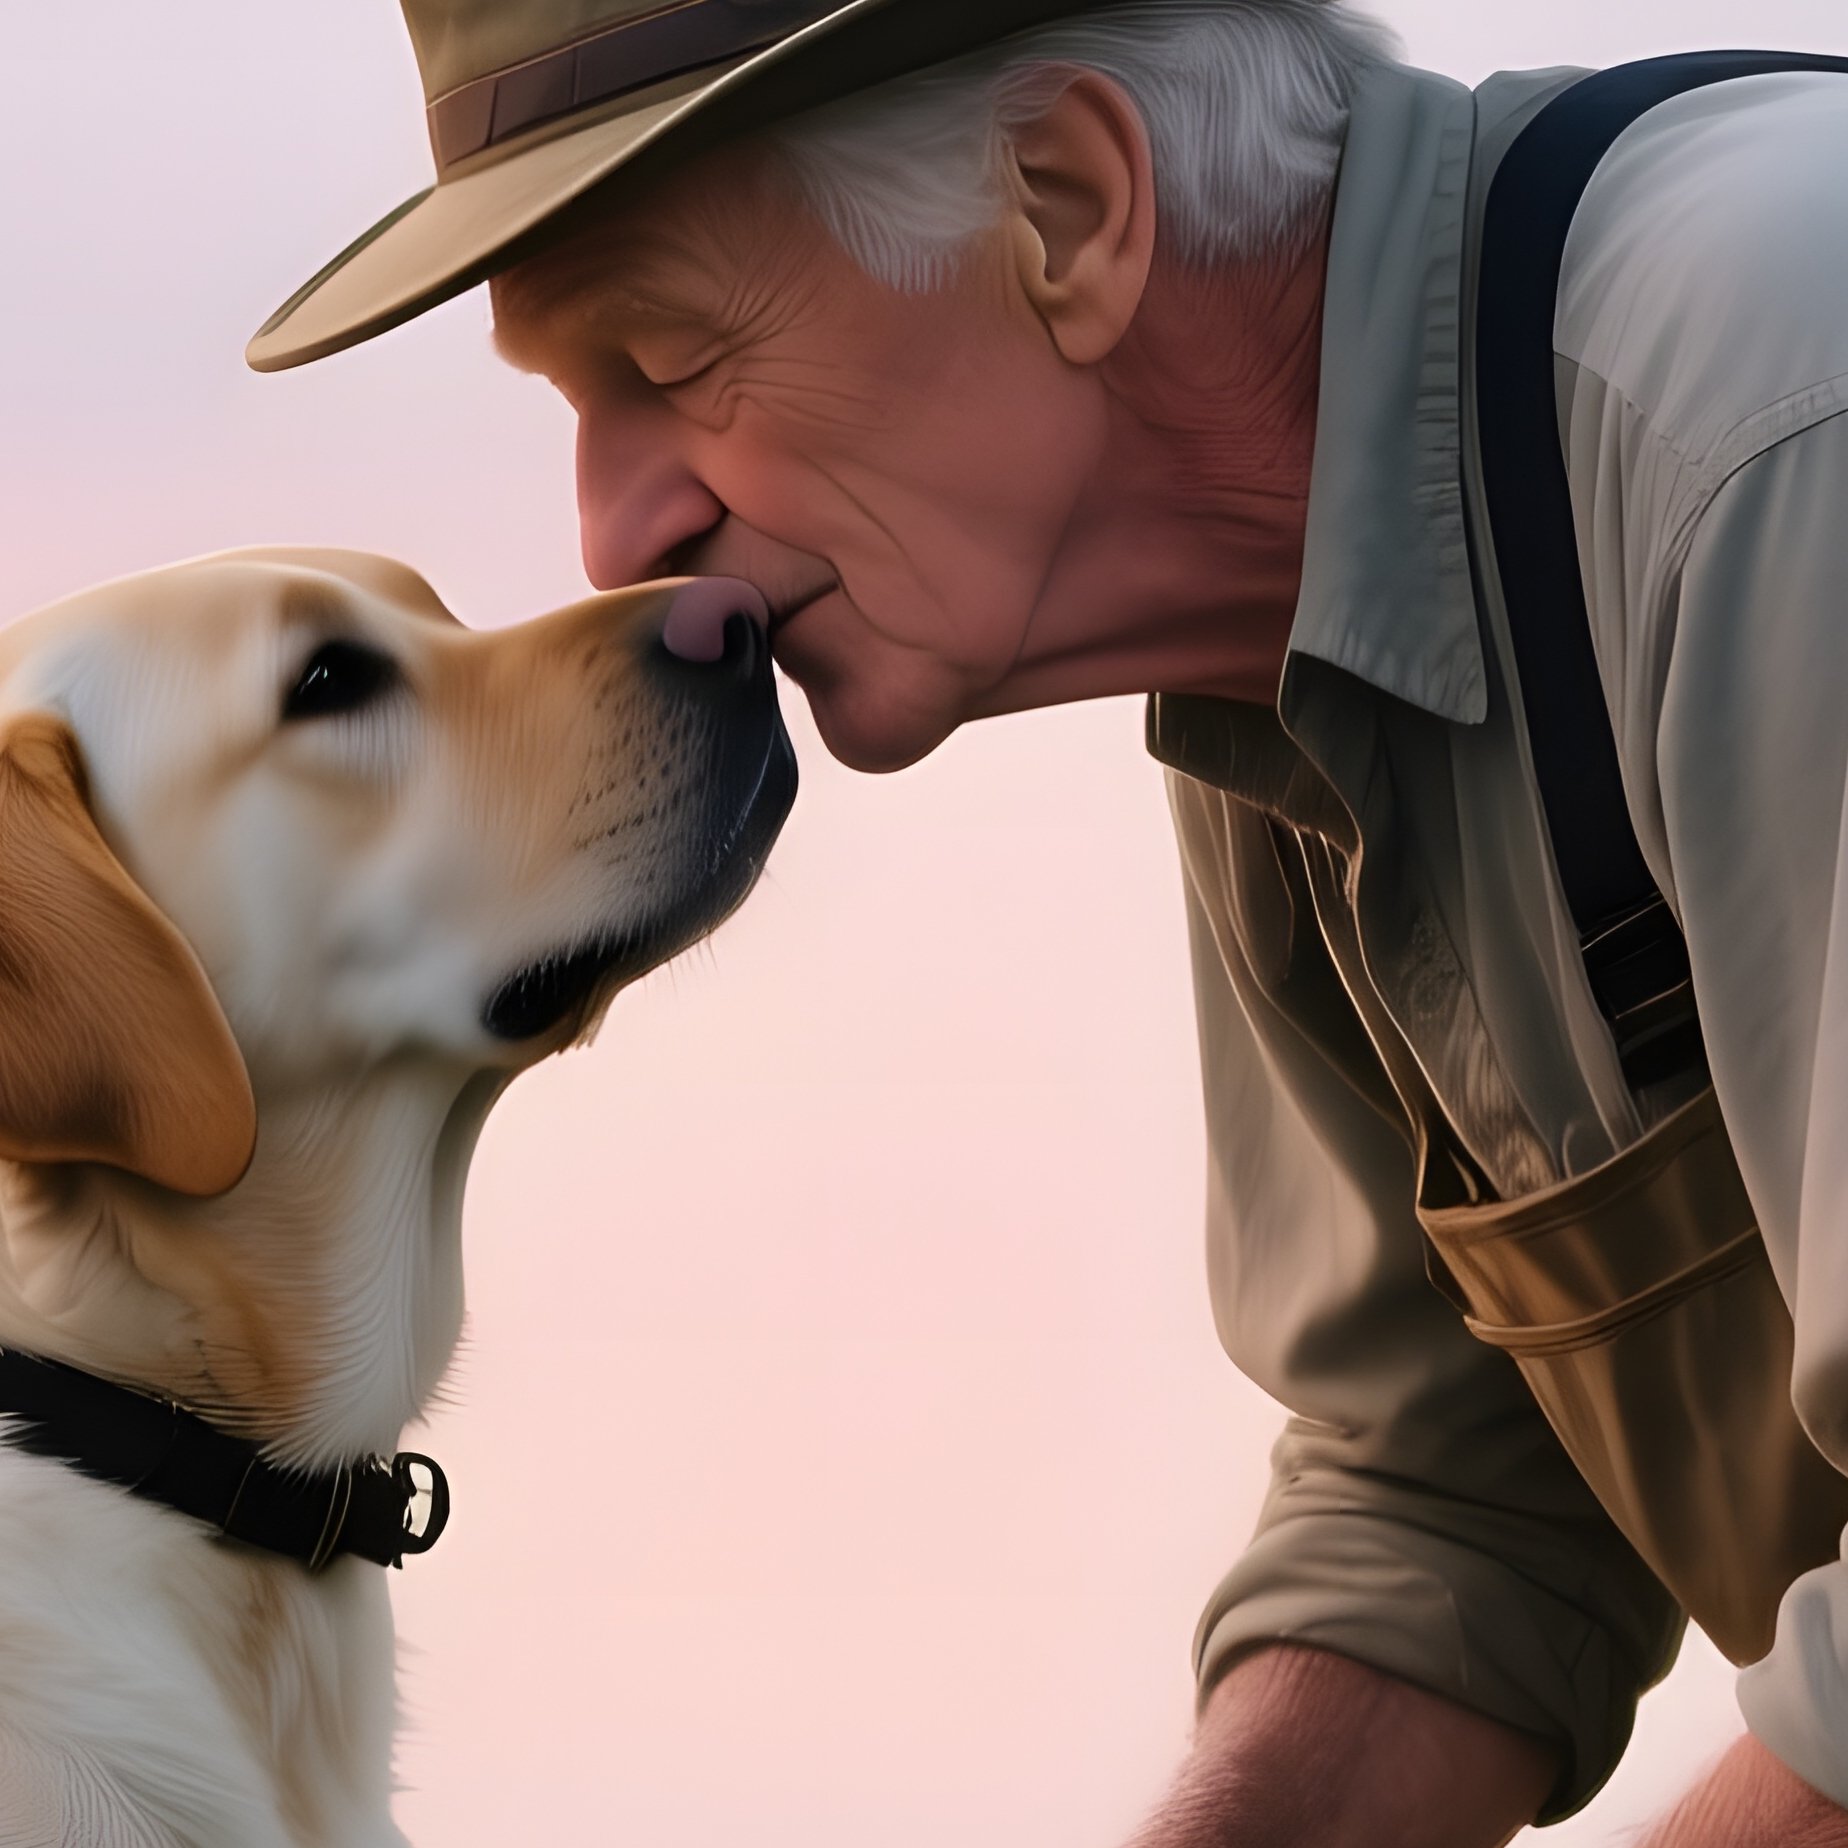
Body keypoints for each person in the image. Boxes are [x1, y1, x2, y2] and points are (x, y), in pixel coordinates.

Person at [247, 3, 1848, 1842]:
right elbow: (1458, 1516)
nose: (619, 532)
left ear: (1071, 207)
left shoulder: (1777, 417)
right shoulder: (1272, 661)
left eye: (673, 357)